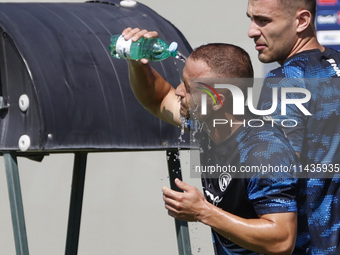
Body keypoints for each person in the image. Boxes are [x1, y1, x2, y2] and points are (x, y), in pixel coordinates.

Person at [121, 27, 299, 254]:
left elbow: (281, 240)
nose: (178, 91)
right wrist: (138, 63)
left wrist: (203, 211)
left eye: (188, 86)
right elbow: (158, 99)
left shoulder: (264, 151)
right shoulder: (208, 125)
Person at [247, 0, 340, 254]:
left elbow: (276, 179)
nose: (252, 31)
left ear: (301, 21)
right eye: (251, 19)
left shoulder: (285, 81)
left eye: (263, 21)